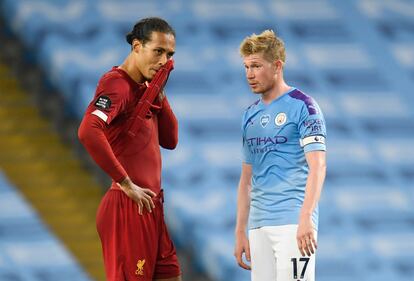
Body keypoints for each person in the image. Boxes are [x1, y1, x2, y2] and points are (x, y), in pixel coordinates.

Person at [78, 17, 182, 281]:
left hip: (152, 207)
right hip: (128, 207)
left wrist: (159, 93)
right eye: (157, 51)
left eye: (169, 54)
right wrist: (125, 182)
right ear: (137, 47)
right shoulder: (117, 84)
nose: (163, 61)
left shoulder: (144, 88)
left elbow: (170, 140)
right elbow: (88, 130)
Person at [234, 30, 327, 281]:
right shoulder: (249, 115)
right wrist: (240, 230)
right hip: (259, 226)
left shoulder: (303, 106)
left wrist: (306, 217)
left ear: (277, 66)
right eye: (246, 67)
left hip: (293, 223)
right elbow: (246, 179)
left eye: (256, 66)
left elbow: (318, 166)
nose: (249, 74)